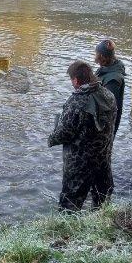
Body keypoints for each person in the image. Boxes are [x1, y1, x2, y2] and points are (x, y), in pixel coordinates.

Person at [48, 60, 117, 211]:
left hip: (80, 164)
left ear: (76, 80)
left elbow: (64, 133)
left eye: (71, 79)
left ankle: (67, 227)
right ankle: (100, 221)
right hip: (103, 158)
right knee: (102, 198)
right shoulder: (108, 95)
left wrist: (51, 139)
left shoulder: (77, 101)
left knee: (70, 204)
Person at [94, 39, 125, 134]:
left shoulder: (113, 80)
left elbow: (108, 109)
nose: (95, 57)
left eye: (96, 54)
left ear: (102, 56)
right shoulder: (106, 69)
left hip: (105, 129)